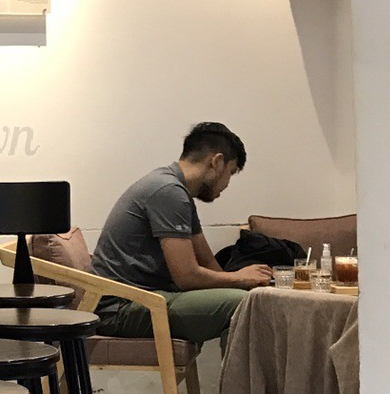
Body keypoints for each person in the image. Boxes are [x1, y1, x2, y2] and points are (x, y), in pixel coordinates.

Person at [91, 122, 270, 346]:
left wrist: (251, 283)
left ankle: (240, 370)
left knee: (250, 300)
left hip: (145, 299)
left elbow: (207, 262)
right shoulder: (168, 191)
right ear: (217, 161)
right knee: (247, 305)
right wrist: (240, 278)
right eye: (230, 173)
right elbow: (186, 276)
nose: (226, 185)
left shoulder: (178, 192)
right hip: (121, 308)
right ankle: (245, 371)